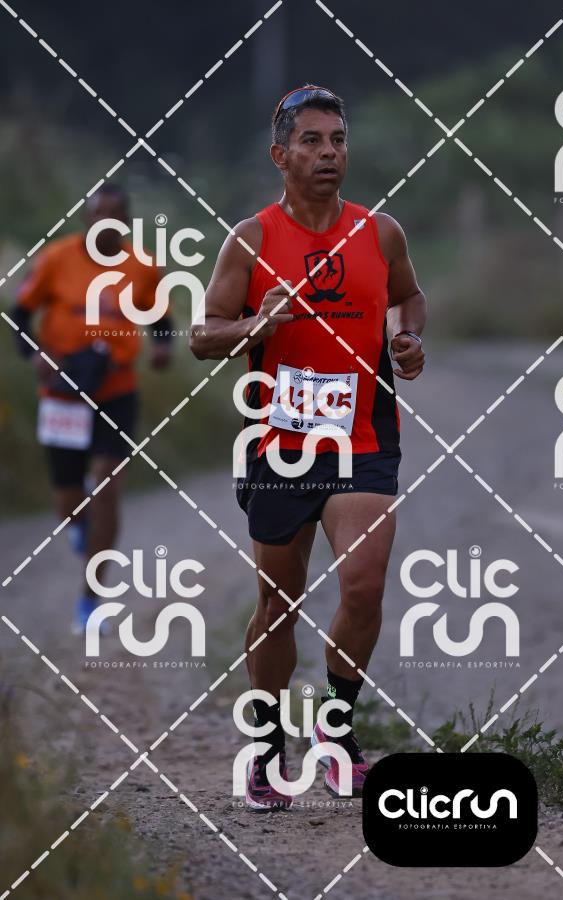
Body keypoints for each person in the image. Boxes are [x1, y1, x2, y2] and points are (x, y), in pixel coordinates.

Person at [190, 86, 426, 810]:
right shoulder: (251, 240)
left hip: (363, 438)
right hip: (279, 446)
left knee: (364, 586)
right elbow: (203, 336)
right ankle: (266, 744)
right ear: (280, 154)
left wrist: (408, 339)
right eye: (312, 141)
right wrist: (254, 327)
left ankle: (337, 731)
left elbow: (408, 297)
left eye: (338, 140)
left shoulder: (380, 233)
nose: (329, 153)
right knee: (279, 602)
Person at [12, 183, 173, 633]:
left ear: (125, 222)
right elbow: (18, 315)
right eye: (98, 213)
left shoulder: (142, 265)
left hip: (116, 389)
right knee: (68, 498)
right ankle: (79, 523)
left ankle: (89, 600)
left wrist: (163, 348)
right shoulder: (56, 259)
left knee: (106, 484)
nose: (105, 222)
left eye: (114, 215)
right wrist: (34, 354)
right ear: (86, 218)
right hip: (64, 390)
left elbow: (161, 319)